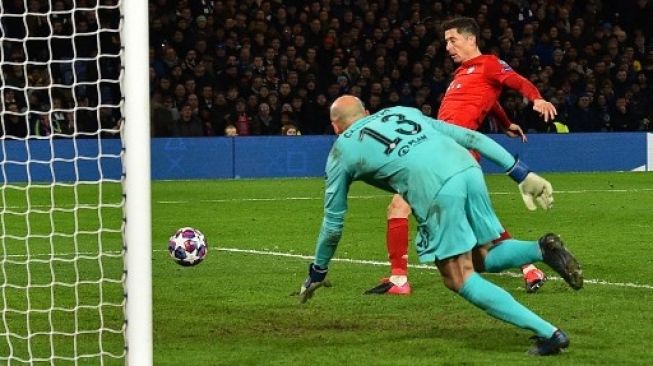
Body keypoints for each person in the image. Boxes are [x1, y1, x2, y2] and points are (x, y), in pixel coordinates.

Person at [298, 95, 583, 356]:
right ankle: (542, 249)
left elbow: (333, 224)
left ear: (335, 127)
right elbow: (469, 137)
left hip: (435, 187)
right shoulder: (401, 112)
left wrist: (318, 271)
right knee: (481, 256)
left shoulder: (340, 152)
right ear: (368, 112)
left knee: (458, 277)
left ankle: (550, 333)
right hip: (467, 168)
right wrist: (521, 173)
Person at [369, 17, 559, 295]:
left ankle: (399, 279)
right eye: (446, 41)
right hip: (438, 148)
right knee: (477, 219)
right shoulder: (463, 73)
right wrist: (505, 124)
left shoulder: (490, 64)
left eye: (452, 40)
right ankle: (530, 268)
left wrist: (537, 99)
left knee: (400, 206)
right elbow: (490, 101)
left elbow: (518, 81)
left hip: (452, 152)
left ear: (471, 39)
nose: (447, 47)